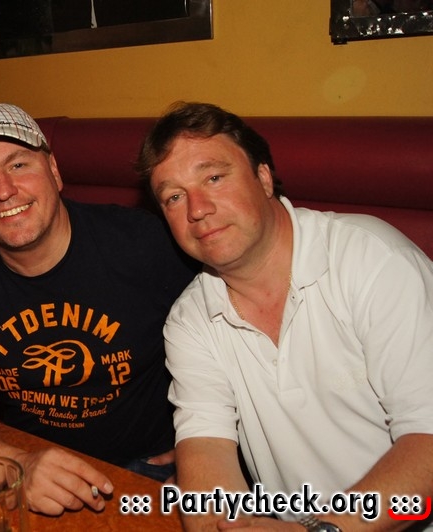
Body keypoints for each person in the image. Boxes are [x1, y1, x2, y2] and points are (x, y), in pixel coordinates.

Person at [136, 101, 433, 530]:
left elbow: (427, 437)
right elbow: (207, 451)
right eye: (174, 197)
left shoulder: (373, 260)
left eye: (214, 178)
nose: (196, 209)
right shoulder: (190, 320)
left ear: (263, 177)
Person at [0, 103, 197, 516]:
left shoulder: (144, 245)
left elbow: (243, 336)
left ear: (55, 172)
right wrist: (18, 464)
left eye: (18, 164)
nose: (3, 190)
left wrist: (207, 448)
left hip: (145, 470)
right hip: (29, 465)